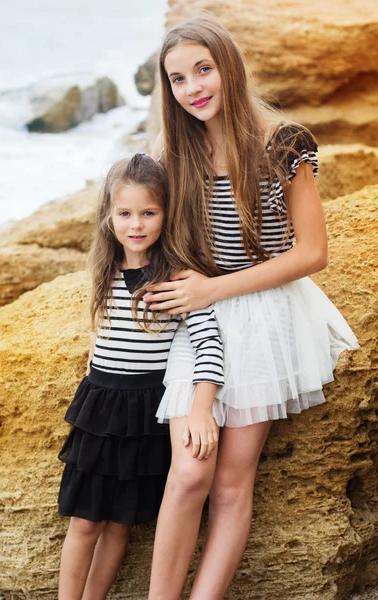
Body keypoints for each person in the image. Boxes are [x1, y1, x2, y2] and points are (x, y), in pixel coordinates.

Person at [145, 15, 359, 600]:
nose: (194, 88)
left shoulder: (284, 142)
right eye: (178, 79)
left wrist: (214, 288)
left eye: (203, 69)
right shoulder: (173, 148)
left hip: (264, 310)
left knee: (232, 483)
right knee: (189, 471)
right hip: (201, 318)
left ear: (228, 66)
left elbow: (313, 252)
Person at [57, 153, 224, 600]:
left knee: (119, 525)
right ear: (108, 216)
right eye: (125, 213)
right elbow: (101, 338)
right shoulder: (104, 269)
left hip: (147, 410)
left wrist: (202, 407)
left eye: (149, 213)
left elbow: (210, 344)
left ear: (166, 215)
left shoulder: (175, 279)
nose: (136, 224)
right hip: (101, 405)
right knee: (85, 520)